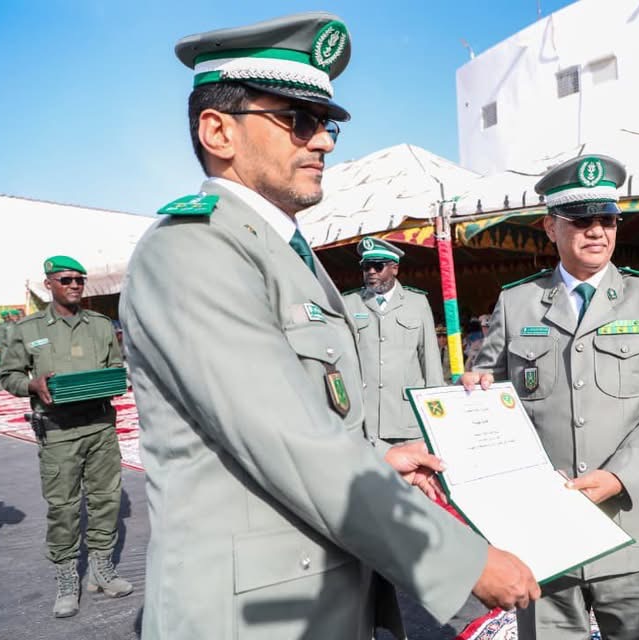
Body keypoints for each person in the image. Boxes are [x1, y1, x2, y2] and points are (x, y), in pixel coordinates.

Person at [118, 13, 538, 639]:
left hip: (312, 594)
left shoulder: (280, 250)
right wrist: (462, 560)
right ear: (218, 130)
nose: (324, 143)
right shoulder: (193, 249)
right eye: (298, 120)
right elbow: (290, 441)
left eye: (327, 124)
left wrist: (378, 457)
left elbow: (307, 416)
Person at [461, 154, 639, 640]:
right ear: (550, 227)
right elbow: (488, 390)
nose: (597, 232)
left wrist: (619, 475)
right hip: (545, 533)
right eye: (581, 220)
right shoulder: (517, 301)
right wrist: (474, 397)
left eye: (607, 220)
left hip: (633, 525)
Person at [0, 256, 132, 618]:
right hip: (58, 432)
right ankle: (67, 579)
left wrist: (115, 380)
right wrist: (32, 384)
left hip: (100, 426)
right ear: (49, 284)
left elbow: (115, 366)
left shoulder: (101, 325)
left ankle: (101, 570)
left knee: (106, 500)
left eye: (79, 280)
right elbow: (8, 375)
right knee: (63, 508)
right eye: (66, 280)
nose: (75, 285)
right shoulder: (28, 329)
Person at [342, 236, 444, 444]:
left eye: (378, 266)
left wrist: (436, 412)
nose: (371, 272)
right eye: (366, 267)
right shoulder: (349, 303)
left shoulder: (417, 302)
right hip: (364, 417)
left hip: (406, 416)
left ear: (394, 268)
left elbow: (430, 358)